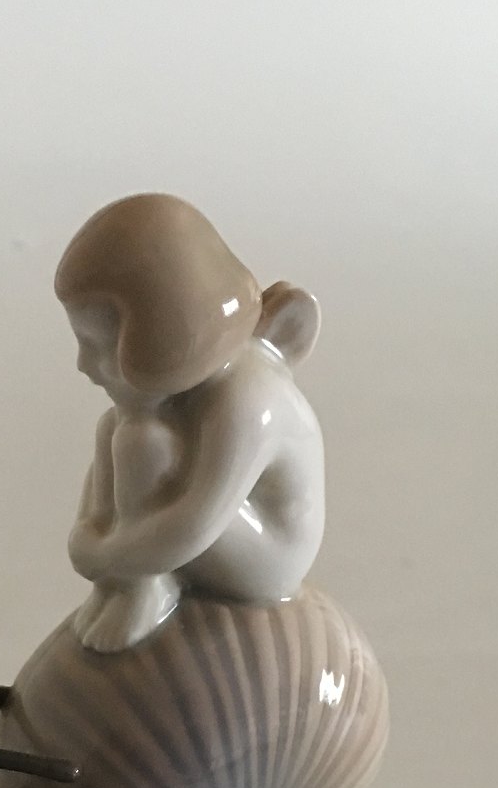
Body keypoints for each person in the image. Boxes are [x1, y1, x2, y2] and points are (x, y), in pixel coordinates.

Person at [56, 193, 325, 652]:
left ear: (159, 340)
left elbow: (196, 522)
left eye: (98, 345)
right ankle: (125, 587)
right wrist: (90, 537)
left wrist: (109, 555)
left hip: (270, 557)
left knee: (142, 442)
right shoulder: (168, 404)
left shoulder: (251, 398)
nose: (83, 365)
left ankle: (144, 588)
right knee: (119, 430)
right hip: (186, 535)